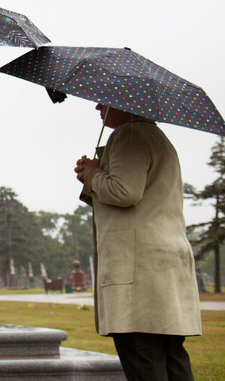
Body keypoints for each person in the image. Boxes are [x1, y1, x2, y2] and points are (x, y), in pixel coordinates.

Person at [75, 104, 201, 380]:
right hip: (162, 270)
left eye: (104, 100)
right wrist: (94, 175)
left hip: (137, 274)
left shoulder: (128, 135)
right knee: (171, 359)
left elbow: (124, 192)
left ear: (125, 104)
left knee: (144, 361)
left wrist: (93, 174)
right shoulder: (159, 139)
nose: (98, 106)